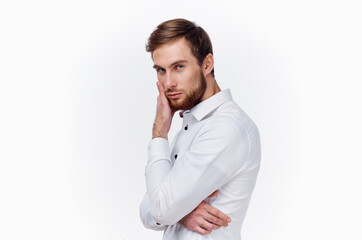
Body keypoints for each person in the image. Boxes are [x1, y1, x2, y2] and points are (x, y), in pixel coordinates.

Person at [139, 18, 261, 239]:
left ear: (207, 64)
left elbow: (159, 208)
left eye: (179, 67)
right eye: (161, 70)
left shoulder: (226, 128)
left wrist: (159, 132)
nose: (168, 83)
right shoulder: (192, 127)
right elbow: (148, 212)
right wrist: (179, 212)